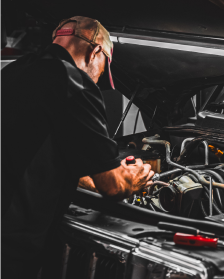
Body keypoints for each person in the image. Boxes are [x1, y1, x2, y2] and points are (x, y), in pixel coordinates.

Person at [0, 16, 154, 278]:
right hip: (12, 243)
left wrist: (89, 179)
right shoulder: (76, 84)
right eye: (104, 67)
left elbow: (38, 152)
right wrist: (136, 178)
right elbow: (114, 186)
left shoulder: (13, 72)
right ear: (96, 52)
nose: (100, 76)